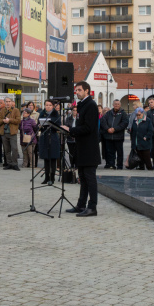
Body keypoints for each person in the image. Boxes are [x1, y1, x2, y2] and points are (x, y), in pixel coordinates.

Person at [66, 82, 100, 216]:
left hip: (89, 149)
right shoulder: (81, 105)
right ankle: (81, 205)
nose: (77, 92)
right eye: (76, 90)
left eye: (79, 90)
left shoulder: (91, 105)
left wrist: (71, 130)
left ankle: (92, 207)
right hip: (81, 147)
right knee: (83, 178)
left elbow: (89, 127)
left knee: (90, 179)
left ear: (87, 91)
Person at [37, 100, 61, 185]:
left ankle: (52, 177)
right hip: (44, 137)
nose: (47, 106)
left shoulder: (56, 114)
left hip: (53, 137)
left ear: (53, 106)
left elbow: (58, 126)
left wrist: (50, 124)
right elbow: (38, 124)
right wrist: (39, 126)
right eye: (46, 105)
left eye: (49, 105)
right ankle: (46, 177)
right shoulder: (42, 114)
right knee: (46, 159)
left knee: (52, 158)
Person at [100, 100, 128, 170]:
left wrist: (115, 129)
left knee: (119, 152)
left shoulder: (123, 113)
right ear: (113, 105)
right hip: (109, 136)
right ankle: (111, 164)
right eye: (115, 104)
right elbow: (103, 121)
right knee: (110, 152)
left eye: (118, 104)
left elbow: (124, 123)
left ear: (120, 105)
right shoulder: (108, 113)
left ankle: (119, 165)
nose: (116, 105)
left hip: (118, 137)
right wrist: (107, 129)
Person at [0, 98, 22, 171]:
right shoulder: (2, 111)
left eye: (9, 101)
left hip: (12, 133)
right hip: (4, 133)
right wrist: (3, 120)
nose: (8, 103)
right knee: (6, 150)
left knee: (14, 149)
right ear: (4, 103)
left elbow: (18, 120)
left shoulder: (16, 110)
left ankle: (15, 164)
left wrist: (9, 120)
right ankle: (9, 163)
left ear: (11, 102)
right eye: (6, 102)